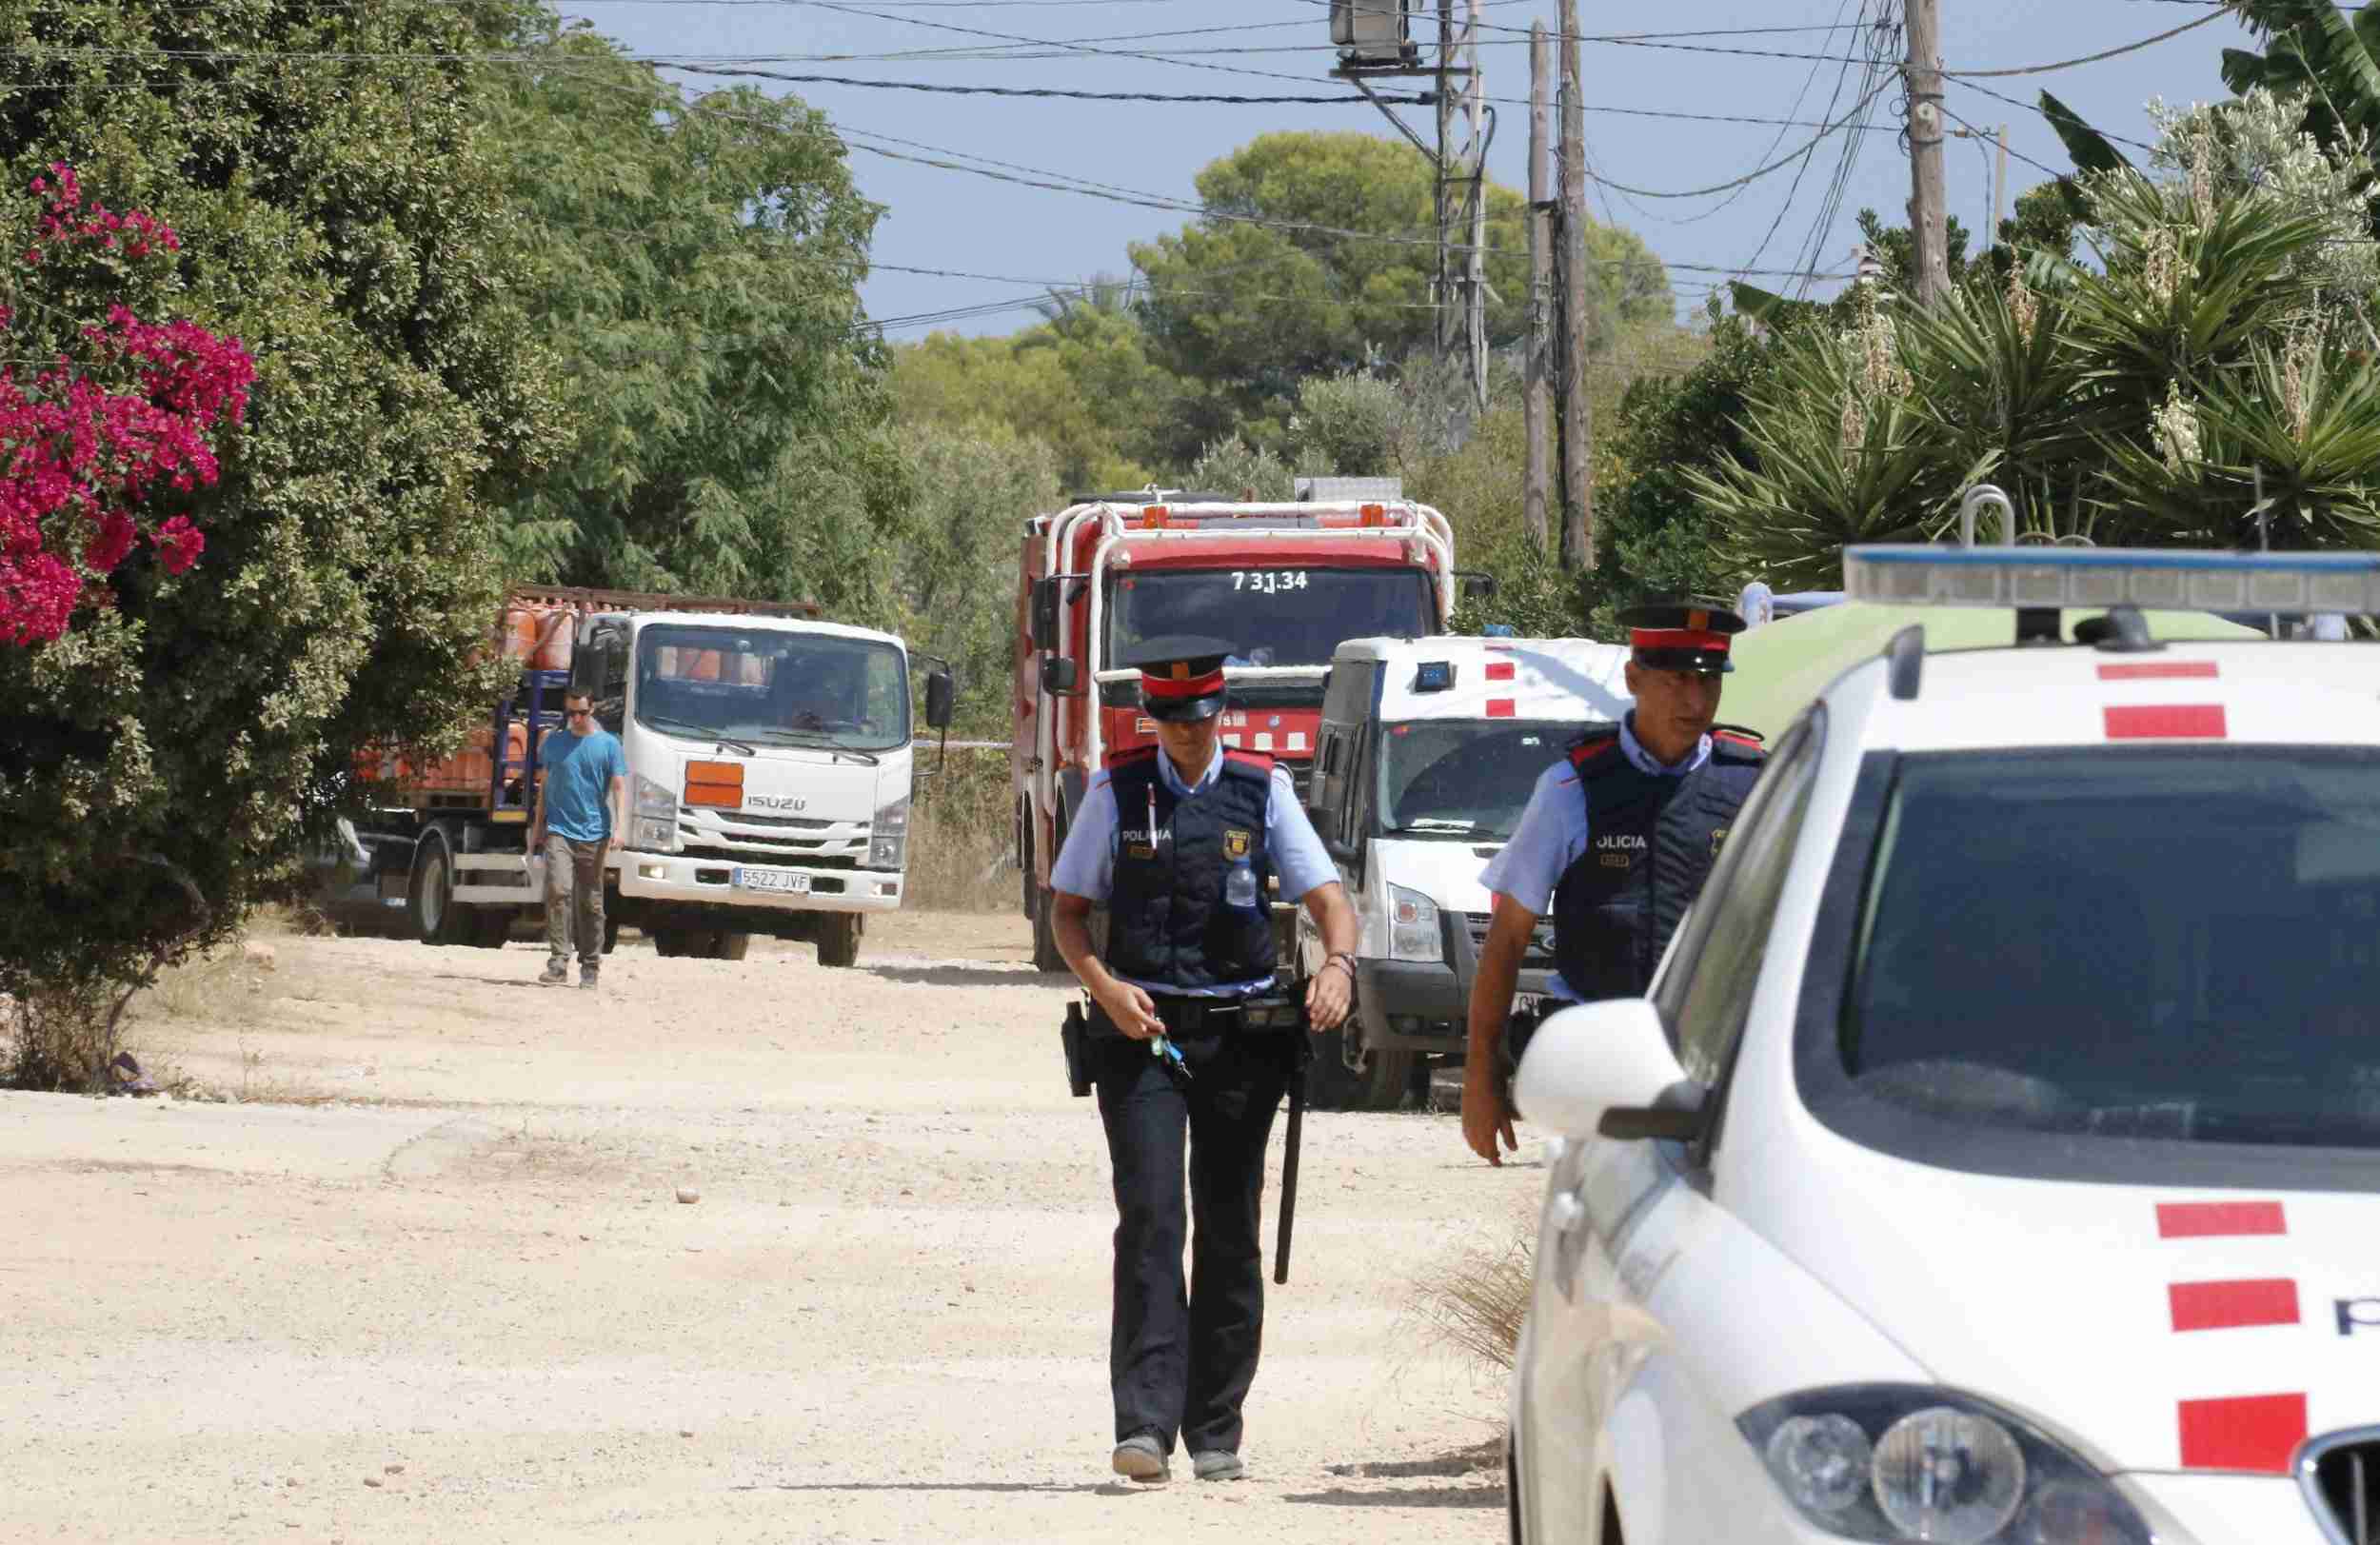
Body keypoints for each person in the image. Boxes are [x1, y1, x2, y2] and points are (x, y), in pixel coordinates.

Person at [1048, 634, 1359, 1487]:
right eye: (1171, 718)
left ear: (1222, 711)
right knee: (1151, 1217)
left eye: (1202, 716)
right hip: (1142, 1035)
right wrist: (1106, 988)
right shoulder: (1118, 791)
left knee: (1229, 1226)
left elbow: (1330, 903)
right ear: (1151, 716)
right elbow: (1069, 913)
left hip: (1240, 1040)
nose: (1188, 732)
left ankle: (1215, 1426)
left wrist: (1337, 967)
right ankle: (1144, 1424)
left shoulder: (1263, 793)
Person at [1460, 601, 1765, 1165]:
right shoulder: (1572, 788)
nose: (1695, 701)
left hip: (1720, 1065)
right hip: (1601, 1063)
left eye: (1707, 681)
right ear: (1633, 678)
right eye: (1676, 681)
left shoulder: (1752, 786)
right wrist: (1482, 1072)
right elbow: (1506, 939)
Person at [529, 687, 626, 990]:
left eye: (581, 712)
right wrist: (537, 828)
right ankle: (558, 962)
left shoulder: (609, 745)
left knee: (591, 902)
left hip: (594, 834)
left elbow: (619, 788)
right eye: (570, 712)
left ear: (592, 709)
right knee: (558, 891)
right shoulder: (553, 744)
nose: (575, 718)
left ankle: (591, 965)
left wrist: (620, 827)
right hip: (559, 829)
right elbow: (544, 787)